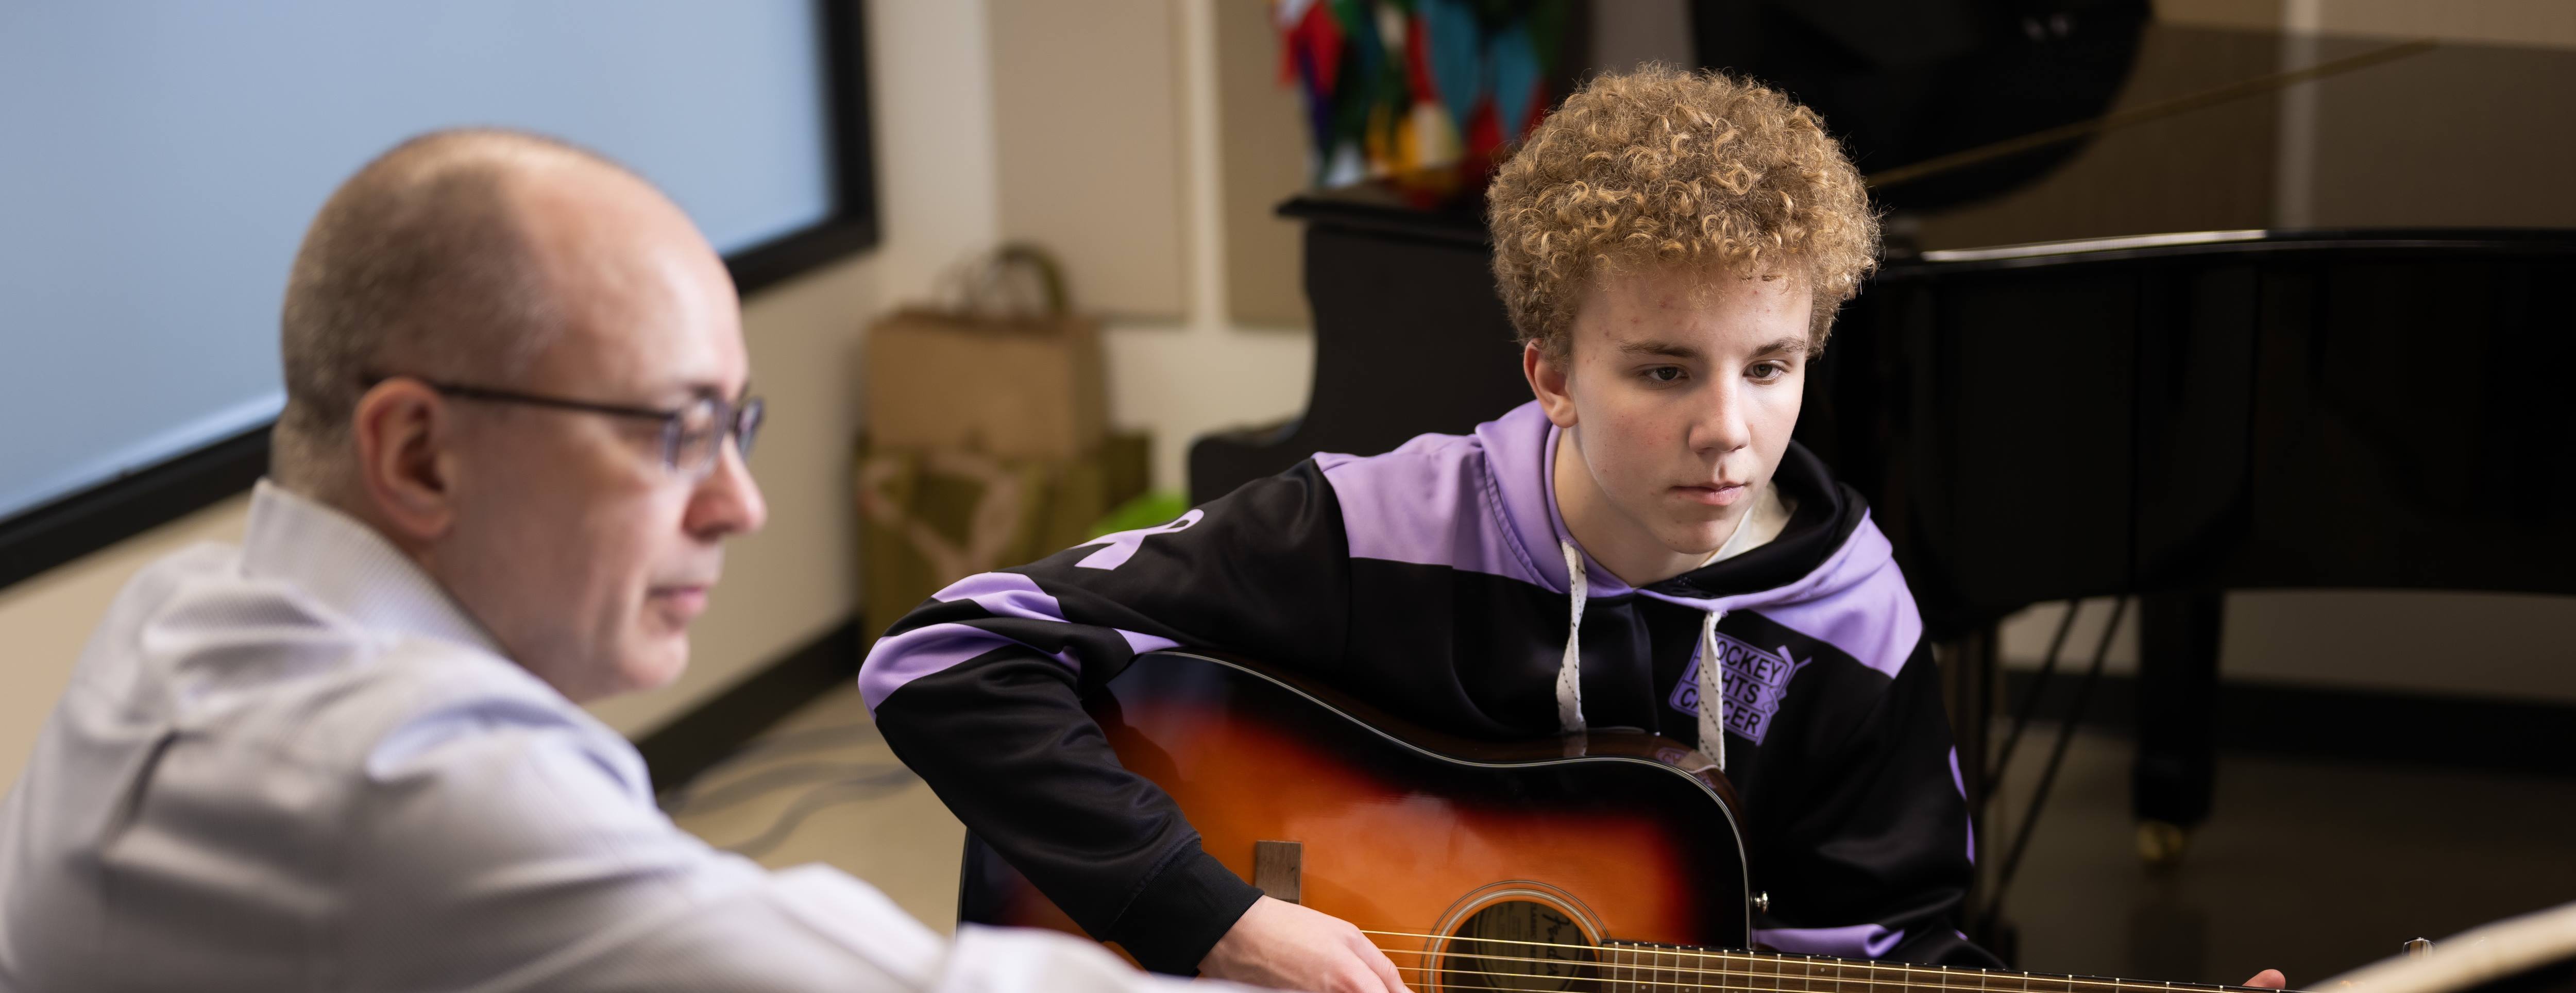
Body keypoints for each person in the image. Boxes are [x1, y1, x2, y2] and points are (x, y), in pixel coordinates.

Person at [859, 68, 2286, 993]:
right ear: (1548, 372)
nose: (1726, 429)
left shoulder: (1858, 627)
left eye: (1771, 366)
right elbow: (939, 661)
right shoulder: (1372, 530)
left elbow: (1876, 952)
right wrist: (1219, 918)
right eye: (1664, 370)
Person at [0, 130, 1213, 992]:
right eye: (674, 430)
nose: (741, 505)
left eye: (736, 426)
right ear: (419, 455)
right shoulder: (400, 780)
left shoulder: (178, 613)